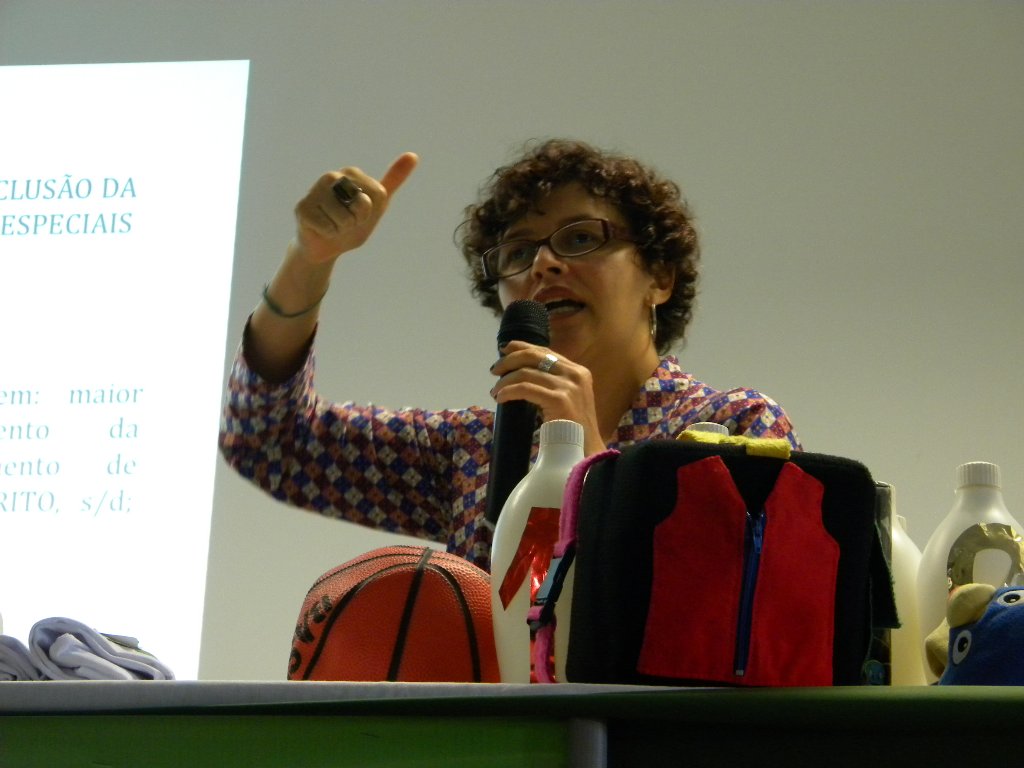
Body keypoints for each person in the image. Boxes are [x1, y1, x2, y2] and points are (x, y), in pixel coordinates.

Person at [220, 139, 799, 570]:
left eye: (581, 238)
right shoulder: (476, 448)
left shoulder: (733, 427)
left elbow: (735, 599)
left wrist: (586, 455)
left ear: (660, 277)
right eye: (518, 254)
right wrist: (312, 257)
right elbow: (270, 443)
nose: (543, 264)